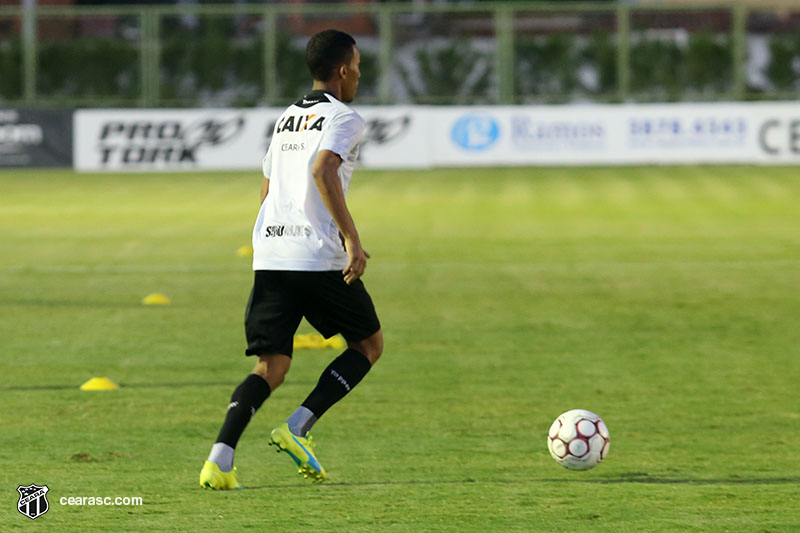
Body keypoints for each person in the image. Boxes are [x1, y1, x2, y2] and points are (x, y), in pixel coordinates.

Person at [199, 29, 382, 489]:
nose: (359, 73)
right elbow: (322, 169)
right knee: (368, 345)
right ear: (343, 69)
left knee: (271, 366)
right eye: (357, 65)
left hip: (271, 252)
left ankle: (218, 461)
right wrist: (351, 240)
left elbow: (267, 186)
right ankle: (298, 426)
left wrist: (267, 239)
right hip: (315, 256)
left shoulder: (284, 119)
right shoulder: (345, 118)